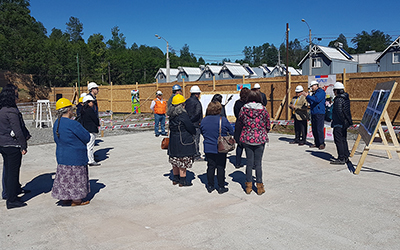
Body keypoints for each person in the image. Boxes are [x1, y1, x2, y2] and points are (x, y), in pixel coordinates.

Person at [52, 98, 91, 206]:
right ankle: (77, 200)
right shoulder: (73, 124)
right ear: (69, 110)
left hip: (62, 156)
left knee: (65, 179)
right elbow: (86, 137)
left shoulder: (57, 123)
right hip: (76, 156)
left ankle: (65, 197)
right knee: (76, 179)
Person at [0, 84, 30, 209]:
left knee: (7, 171)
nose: (18, 97)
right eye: (16, 95)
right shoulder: (11, 111)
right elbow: (17, 130)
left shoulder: (2, 109)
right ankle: (12, 200)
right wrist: (23, 145)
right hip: (12, 145)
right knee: (12, 173)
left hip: (3, 144)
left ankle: (9, 192)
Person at [238, 90, 270, 195]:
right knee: (258, 163)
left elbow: (240, 121)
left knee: (249, 162)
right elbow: (268, 124)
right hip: (260, 138)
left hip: (247, 137)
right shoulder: (263, 109)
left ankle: (248, 187)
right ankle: (260, 186)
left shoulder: (244, 109)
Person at [200, 101, 234, 194]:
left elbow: (202, 132)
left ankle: (210, 185)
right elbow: (231, 131)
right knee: (220, 167)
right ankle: (221, 186)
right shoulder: (222, 120)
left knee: (210, 166)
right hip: (220, 146)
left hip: (208, 146)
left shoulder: (204, 120)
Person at [167, 94, 196, 187]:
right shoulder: (183, 115)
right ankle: (183, 180)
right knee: (182, 160)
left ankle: (175, 178)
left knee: (174, 159)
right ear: (181, 105)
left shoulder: (171, 115)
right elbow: (190, 126)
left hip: (173, 140)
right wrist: (194, 131)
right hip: (183, 139)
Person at [330, 82, 353, 165]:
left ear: (337, 91)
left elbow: (339, 112)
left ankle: (341, 157)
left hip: (339, 123)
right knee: (343, 139)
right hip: (344, 123)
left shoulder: (338, 99)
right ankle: (346, 155)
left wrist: (340, 121)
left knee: (338, 140)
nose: (334, 92)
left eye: (334, 90)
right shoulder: (346, 98)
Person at [302, 80, 326, 149]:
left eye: (313, 86)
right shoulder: (314, 93)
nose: (312, 87)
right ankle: (317, 143)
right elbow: (312, 101)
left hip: (319, 113)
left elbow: (316, 100)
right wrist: (307, 97)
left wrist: (308, 96)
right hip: (314, 112)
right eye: (311, 86)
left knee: (319, 128)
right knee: (314, 129)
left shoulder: (321, 92)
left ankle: (321, 143)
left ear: (317, 85)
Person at [80, 95, 101, 166]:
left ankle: (89, 158)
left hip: (85, 129)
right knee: (90, 146)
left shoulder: (82, 110)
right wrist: (98, 124)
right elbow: (95, 119)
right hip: (91, 129)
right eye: (92, 102)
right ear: (88, 102)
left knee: (87, 145)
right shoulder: (90, 110)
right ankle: (91, 160)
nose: (93, 103)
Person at [185, 85, 203, 161]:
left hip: (187, 124)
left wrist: (188, 121)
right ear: (197, 94)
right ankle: (196, 155)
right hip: (195, 124)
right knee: (196, 140)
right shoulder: (197, 102)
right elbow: (197, 113)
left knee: (189, 140)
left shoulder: (187, 101)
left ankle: (189, 154)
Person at [233, 87, 250, 168]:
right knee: (248, 145)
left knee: (239, 145)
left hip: (239, 124)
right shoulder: (249, 104)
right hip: (247, 125)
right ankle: (251, 162)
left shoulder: (237, 103)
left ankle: (237, 162)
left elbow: (236, 113)